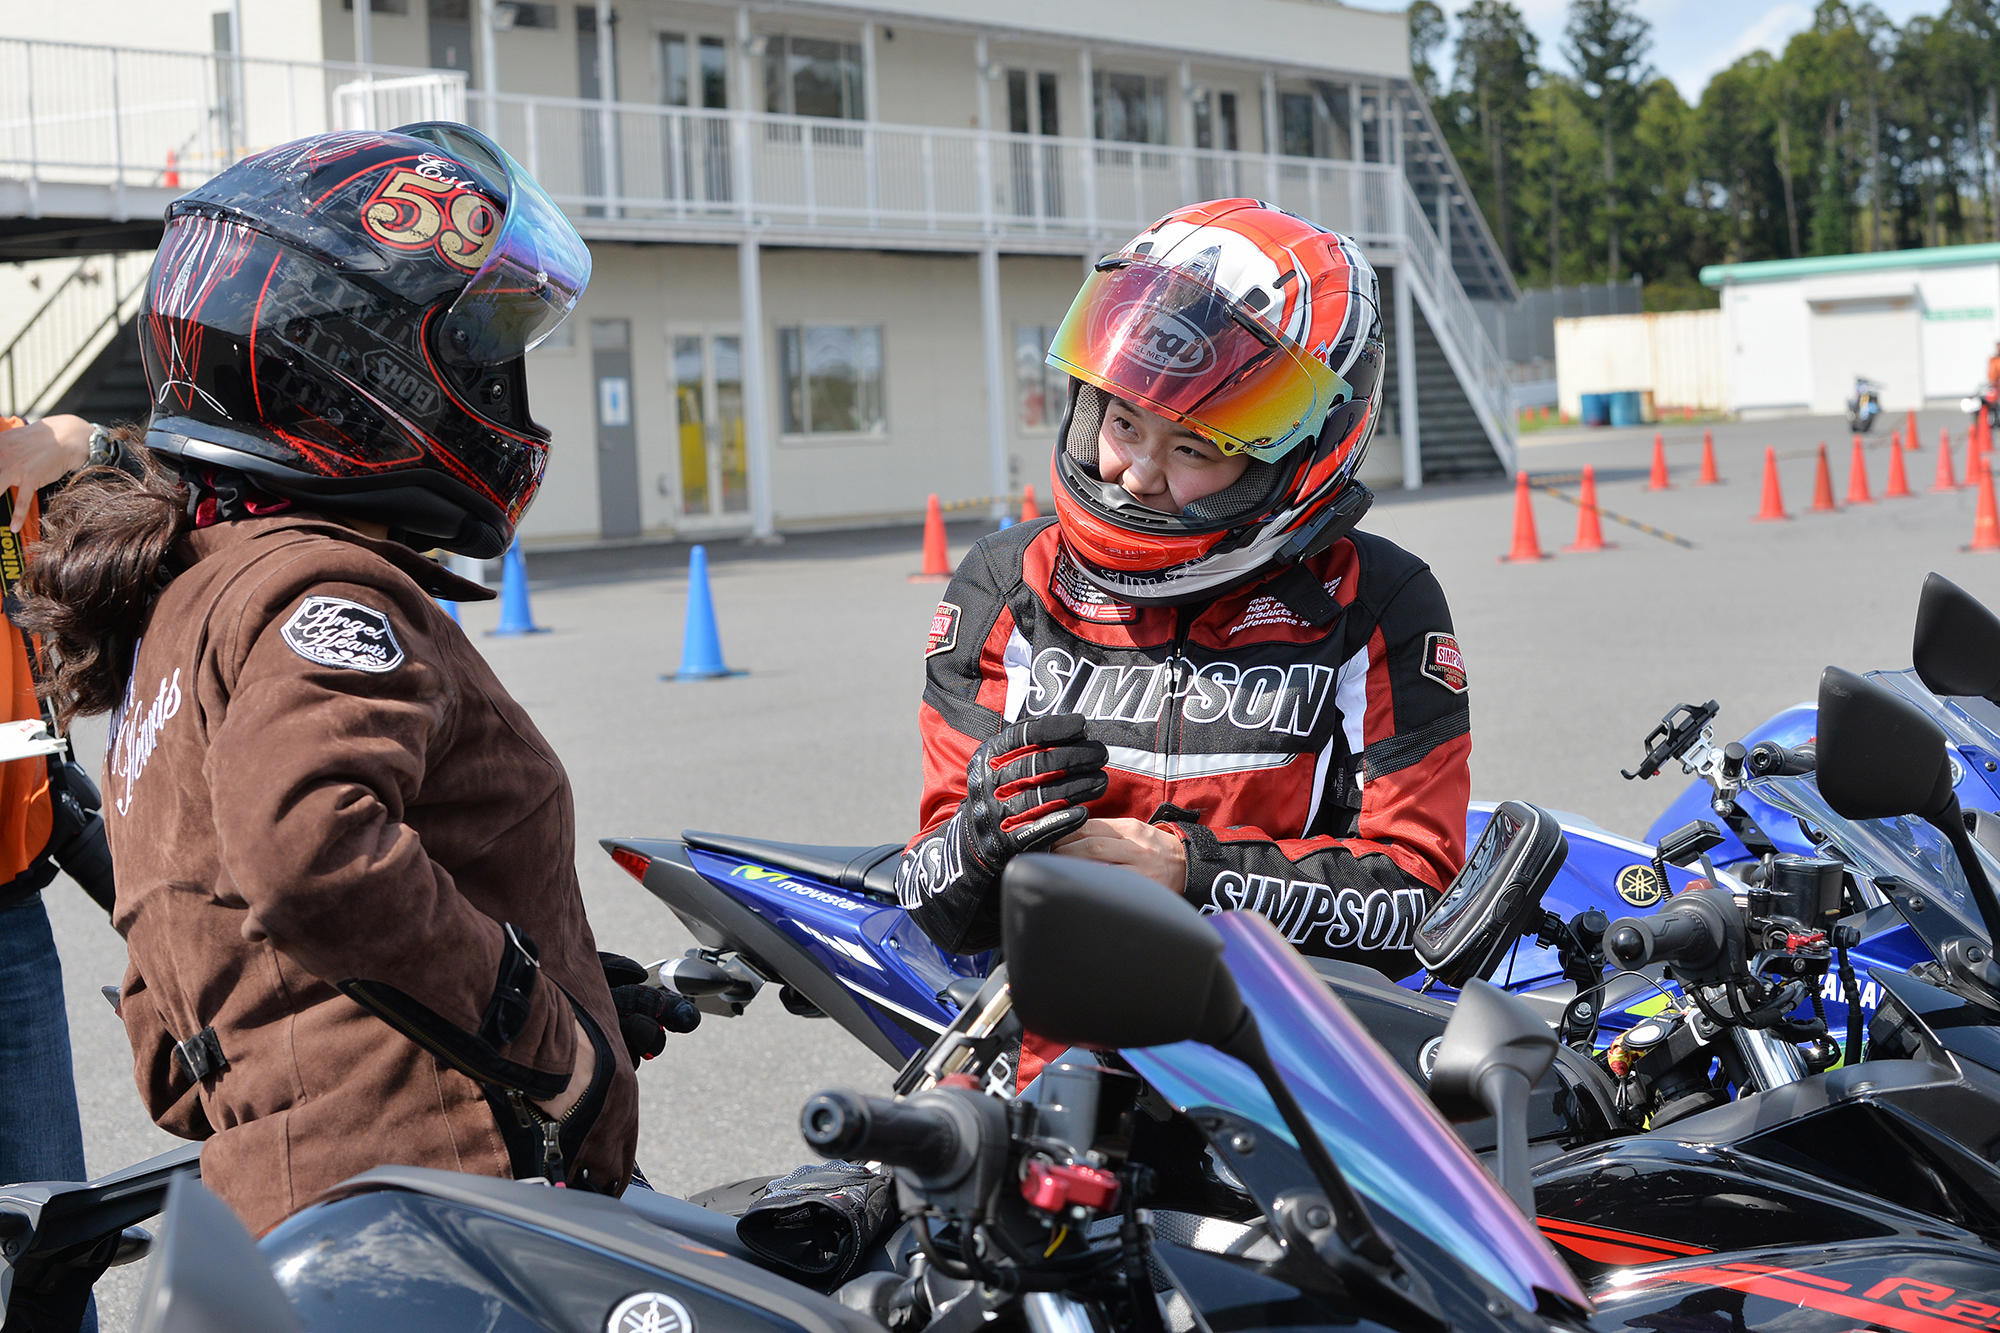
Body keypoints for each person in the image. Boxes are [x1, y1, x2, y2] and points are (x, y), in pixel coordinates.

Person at [16, 124, 675, 1236]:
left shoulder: (180, 608)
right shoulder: (317, 586)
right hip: (447, 1208)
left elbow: (177, 1042)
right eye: (474, 351)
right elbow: (313, 848)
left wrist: (549, 970)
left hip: (299, 1218)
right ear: (362, 368)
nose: (498, 385)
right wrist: (547, 1046)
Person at [898, 201, 1471, 1080]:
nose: (1137, 474)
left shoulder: (1376, 600)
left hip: (1283, 1066)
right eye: (1124, 423)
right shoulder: (1010, 586)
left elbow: (1423, 901)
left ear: (1301, 453)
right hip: (1048, 1065)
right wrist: (986, 836)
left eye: (1196, 446)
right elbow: (929, 897)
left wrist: (1192, 874)